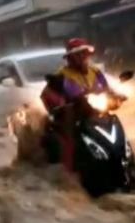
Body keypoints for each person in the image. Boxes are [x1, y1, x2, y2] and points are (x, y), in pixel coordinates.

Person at [40, 38, 125, 170]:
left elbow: (107, 89)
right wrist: (60, 105)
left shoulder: (95, 71)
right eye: (78, 54)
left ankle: (122, 154)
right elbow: (46, 95)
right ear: (70, 57)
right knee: (70, 138)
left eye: (84, 53)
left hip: (96, 112)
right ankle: (68, 171)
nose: (82, 57)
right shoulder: (62, 75)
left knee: (113, 121)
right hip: (75, 116)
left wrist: (117, 96)